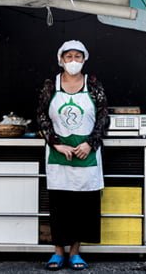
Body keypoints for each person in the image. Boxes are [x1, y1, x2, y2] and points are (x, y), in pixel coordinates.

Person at [36, 40, 109, 271]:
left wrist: (90, 143)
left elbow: (103, 118)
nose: (73, 61)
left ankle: (75, 252)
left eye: (78, 57)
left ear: (84, 59)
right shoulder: (51, 85)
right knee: (59, 205)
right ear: (61, 60)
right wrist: (56, 144)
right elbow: (41, 118)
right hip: (60, 156)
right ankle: (58, 252)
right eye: (69, 57)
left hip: (86, 155)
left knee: (82, 205)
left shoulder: (94, 85)